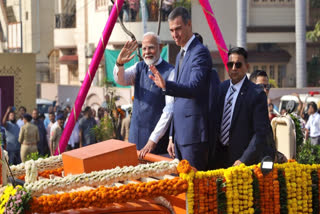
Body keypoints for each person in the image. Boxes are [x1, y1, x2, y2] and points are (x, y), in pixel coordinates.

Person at [149, 7, 212, 170]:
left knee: (194, 189)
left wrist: (166, 85)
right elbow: (176, 102)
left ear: (189, 24)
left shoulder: (200, 53)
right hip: (179, 137)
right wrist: (172, 135)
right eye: (171, 30)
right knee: (183, 188)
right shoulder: (180, 55)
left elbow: (194, 88)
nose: (174, 34)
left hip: (194, 135)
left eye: (178, 29)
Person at [114, 32, 174, 158]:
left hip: (158, 146)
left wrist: (153, 139)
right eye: (144, 48)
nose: (147, 52)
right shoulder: (139, 67)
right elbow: (121, 80)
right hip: (135, 140)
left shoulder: (170, 72)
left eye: (151, 47)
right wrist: (119, 64)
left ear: (160, 47)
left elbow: (169, 110)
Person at [212, 47, 271, 168]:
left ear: (247, 66)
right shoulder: (220, 88)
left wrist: (244, 159)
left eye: (238, 64)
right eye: (230, 64)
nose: (234, 68)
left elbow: (260, 133)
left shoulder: (256, 94)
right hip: (217, 158)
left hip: (241, 162)